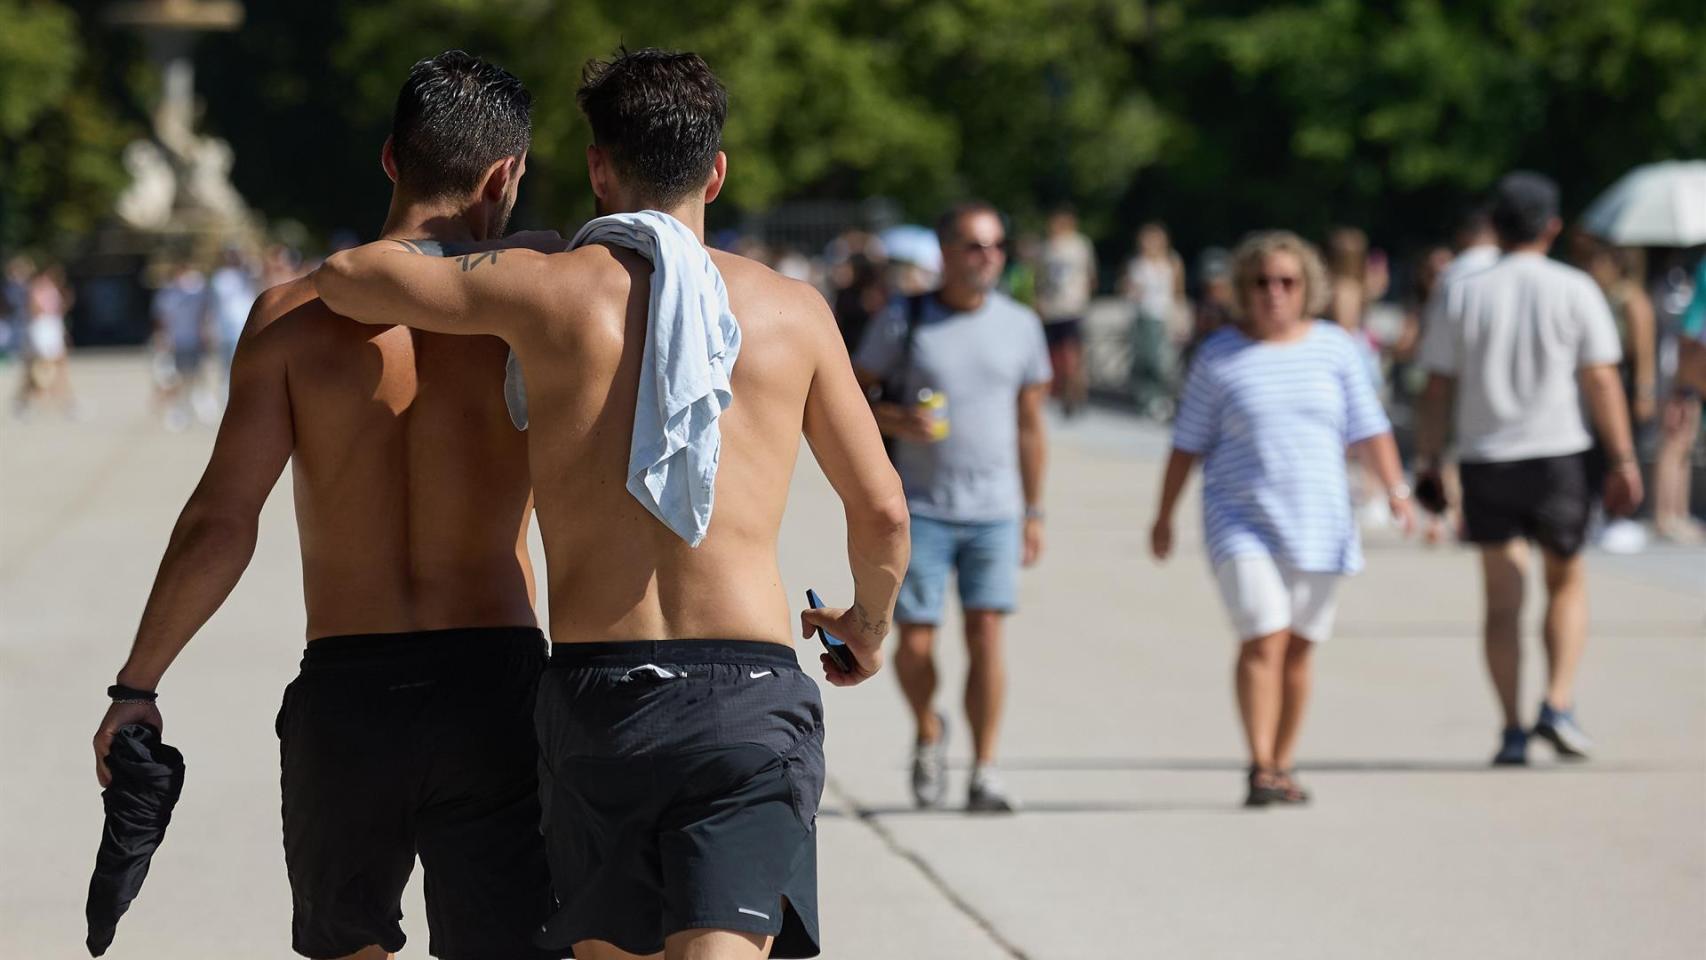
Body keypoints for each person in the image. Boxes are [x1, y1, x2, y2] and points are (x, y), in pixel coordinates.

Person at [317, 48, 910, 960]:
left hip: (598, 696)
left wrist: (527, 253)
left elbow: (349, 277)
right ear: (716, 170)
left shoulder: (542, 292)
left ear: (599, 168)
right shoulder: (793, 312)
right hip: (745, 695)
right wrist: (865, 624)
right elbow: (882, 513)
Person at [91, 51, 555, 959]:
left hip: (351, 687)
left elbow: (221, 523)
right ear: (507, 175)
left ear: (390, 160)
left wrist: (136, 685)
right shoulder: (536, 309)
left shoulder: (292, 317)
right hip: (496, 681)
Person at [1149, 230, 1412, 807]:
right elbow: (1187, 442)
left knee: (1298, 647)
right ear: (1243, 289)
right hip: (1239, 518)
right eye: (1261, 282)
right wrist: (1164, 514)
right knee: (1262, 636)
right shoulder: (1218, 354)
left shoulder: (1336, 348)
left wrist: (1396, 490)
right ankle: (1260, 764)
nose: (1274, 293)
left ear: (1307, 287)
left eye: (1286, 282)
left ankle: (1284, 762)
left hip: (1320, 519)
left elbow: (1369, 426)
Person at [1415, 172, 1642, 766]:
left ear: (1495, 224)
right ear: (1553, 226)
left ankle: (1512, 727)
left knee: (1501, 600)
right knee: (1565, 581)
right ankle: (1557, 701)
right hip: (1557, 454)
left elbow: (1437, 385)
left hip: (1487, 456)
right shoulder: (1574, 288)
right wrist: (1621, 458)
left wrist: (1430, 459)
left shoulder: (1462, 290)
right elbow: (1600, 378)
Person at [853, 201, 1052, 814]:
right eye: (973, 245)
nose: (987, 256)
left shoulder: (1021, 325)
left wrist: (1034, 511)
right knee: (913, 642)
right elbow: (852, 393)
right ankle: (929, 729)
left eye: (995, 245)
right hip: (922, 509)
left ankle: (984, 768)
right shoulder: (905, 318)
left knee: (987, 634)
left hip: (995, 509)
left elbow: (1030, 425)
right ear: (946, 254)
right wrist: (896, 419)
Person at [1119, 222, 1187, 417]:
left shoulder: (1172, 262)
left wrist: (1179, 316)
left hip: (1161, 315)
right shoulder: (1136, 263)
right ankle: (1145, 397)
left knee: (1161, 360)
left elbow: (1177, 292)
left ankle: (1161, 397)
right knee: (1143, 358)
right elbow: (1127, 289)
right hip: (1142, 315)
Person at [1035, 207, 1095, 414]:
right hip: (1052, 308)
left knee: (1072, 353)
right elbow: (1040, 278)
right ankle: (1060, 391)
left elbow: (1089, 274)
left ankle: (1075, 392)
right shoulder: (1047, 247)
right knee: (1055, 354)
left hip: (1072, 306)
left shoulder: (1079, 245)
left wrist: (1084, 299)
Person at [14, 263, 78, 418]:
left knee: (55, 365)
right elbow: (34, 310)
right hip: (42, 328)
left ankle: (59, 400)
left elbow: (57, 311)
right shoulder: (38, 288)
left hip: (51, 326)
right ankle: (36, 399)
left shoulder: (53, 289)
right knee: (42, 367)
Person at [151, 264, 210, 430]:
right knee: (174, 378)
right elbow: (160, 318)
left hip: (193, 340)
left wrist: (205, 332)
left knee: (194, 376)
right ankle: (177, 409)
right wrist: (162, 338)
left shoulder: (196, 290)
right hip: (174, 342)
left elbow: (204, 311)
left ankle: (194, 405)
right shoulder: (167, 294)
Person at [207, 246, 259, 404]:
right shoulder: (219, 277)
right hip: (225, 329)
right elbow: (214, 305)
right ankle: (227, 398)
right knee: (226, 367)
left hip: (245, 328)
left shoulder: (248, 274)